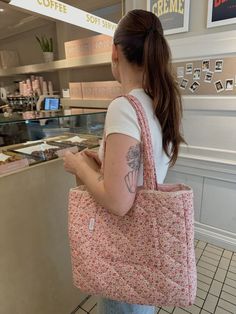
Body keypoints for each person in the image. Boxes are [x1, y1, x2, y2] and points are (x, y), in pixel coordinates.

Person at [64, 9, 185, 314]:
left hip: (124, 257)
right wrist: (104, 166)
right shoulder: (157, 103)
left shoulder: (124, 107)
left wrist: (78, 166)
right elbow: (143, 173)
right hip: (144, 256)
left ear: (115, 52)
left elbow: (119, 203)